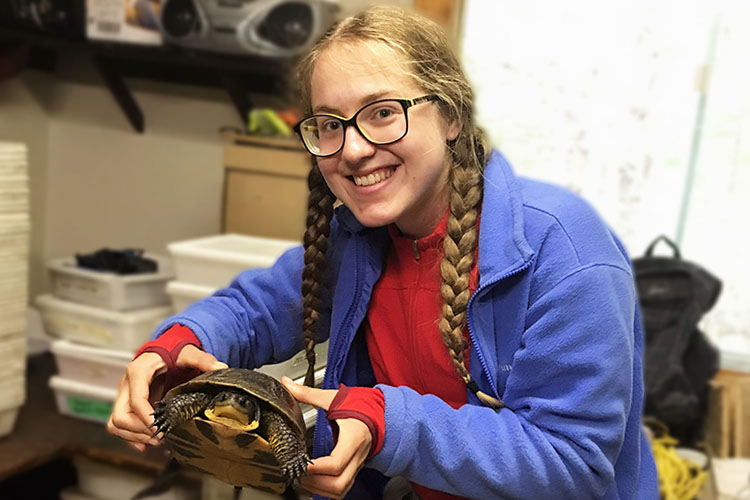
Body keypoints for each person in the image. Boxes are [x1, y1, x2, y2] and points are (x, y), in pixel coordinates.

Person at [108, 6, 659, 500]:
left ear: (450, 117)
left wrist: (384, 422)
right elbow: (257, 307)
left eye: (381, 112)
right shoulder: (360, 239)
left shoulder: (563, 250)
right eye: (329, 124)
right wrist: (175, 346)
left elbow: (571, 462)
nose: (350, 149)